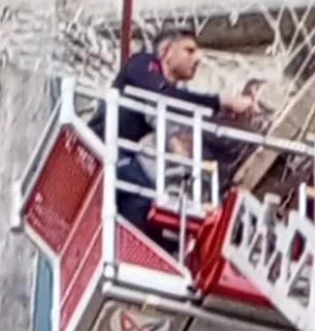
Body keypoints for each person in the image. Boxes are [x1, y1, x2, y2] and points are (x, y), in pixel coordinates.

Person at [94, 28, 260, 229]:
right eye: (189, 51)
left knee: (157, 201)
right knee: (142, 196)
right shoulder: (141, 65)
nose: (198, 58)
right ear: (166, 52)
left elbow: (180, 110)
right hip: (97, 149)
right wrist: (222, 101)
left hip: (124, 155)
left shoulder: (177, 95)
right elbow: (165, 97)